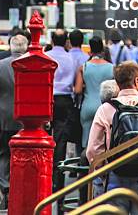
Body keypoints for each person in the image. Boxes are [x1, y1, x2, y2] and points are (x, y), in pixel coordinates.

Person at [86, 61, 138, 215]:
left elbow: (93, 150)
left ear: (118, 83)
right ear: (137, 80)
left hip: (115, 176)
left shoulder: (105, 109)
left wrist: (104, 173)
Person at [0, 33, 28, 203]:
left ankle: (5, 187)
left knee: (2, 152)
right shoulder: (31, 65)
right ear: (25, 47)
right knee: (24, 154)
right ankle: (21, 186)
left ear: (10, 46)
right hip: (26, 117)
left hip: (4, 115)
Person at [46, 30, 79, 192]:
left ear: (52, 40)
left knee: (44, 138)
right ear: (66, 41)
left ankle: (45, 174)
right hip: (65, 100)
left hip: (47, 98)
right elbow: (75, 82)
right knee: (60, 141)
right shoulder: (71, 59)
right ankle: (57, 180)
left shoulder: (47, 56)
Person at [74, 36, 113, 148]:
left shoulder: (84, 67)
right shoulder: (111, 68)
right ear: (102, 49)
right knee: (105, 139)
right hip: (105, 107)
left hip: (88, 106)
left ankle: (86, 162)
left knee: (87, 140)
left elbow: (78, 90)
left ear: (90, 49)